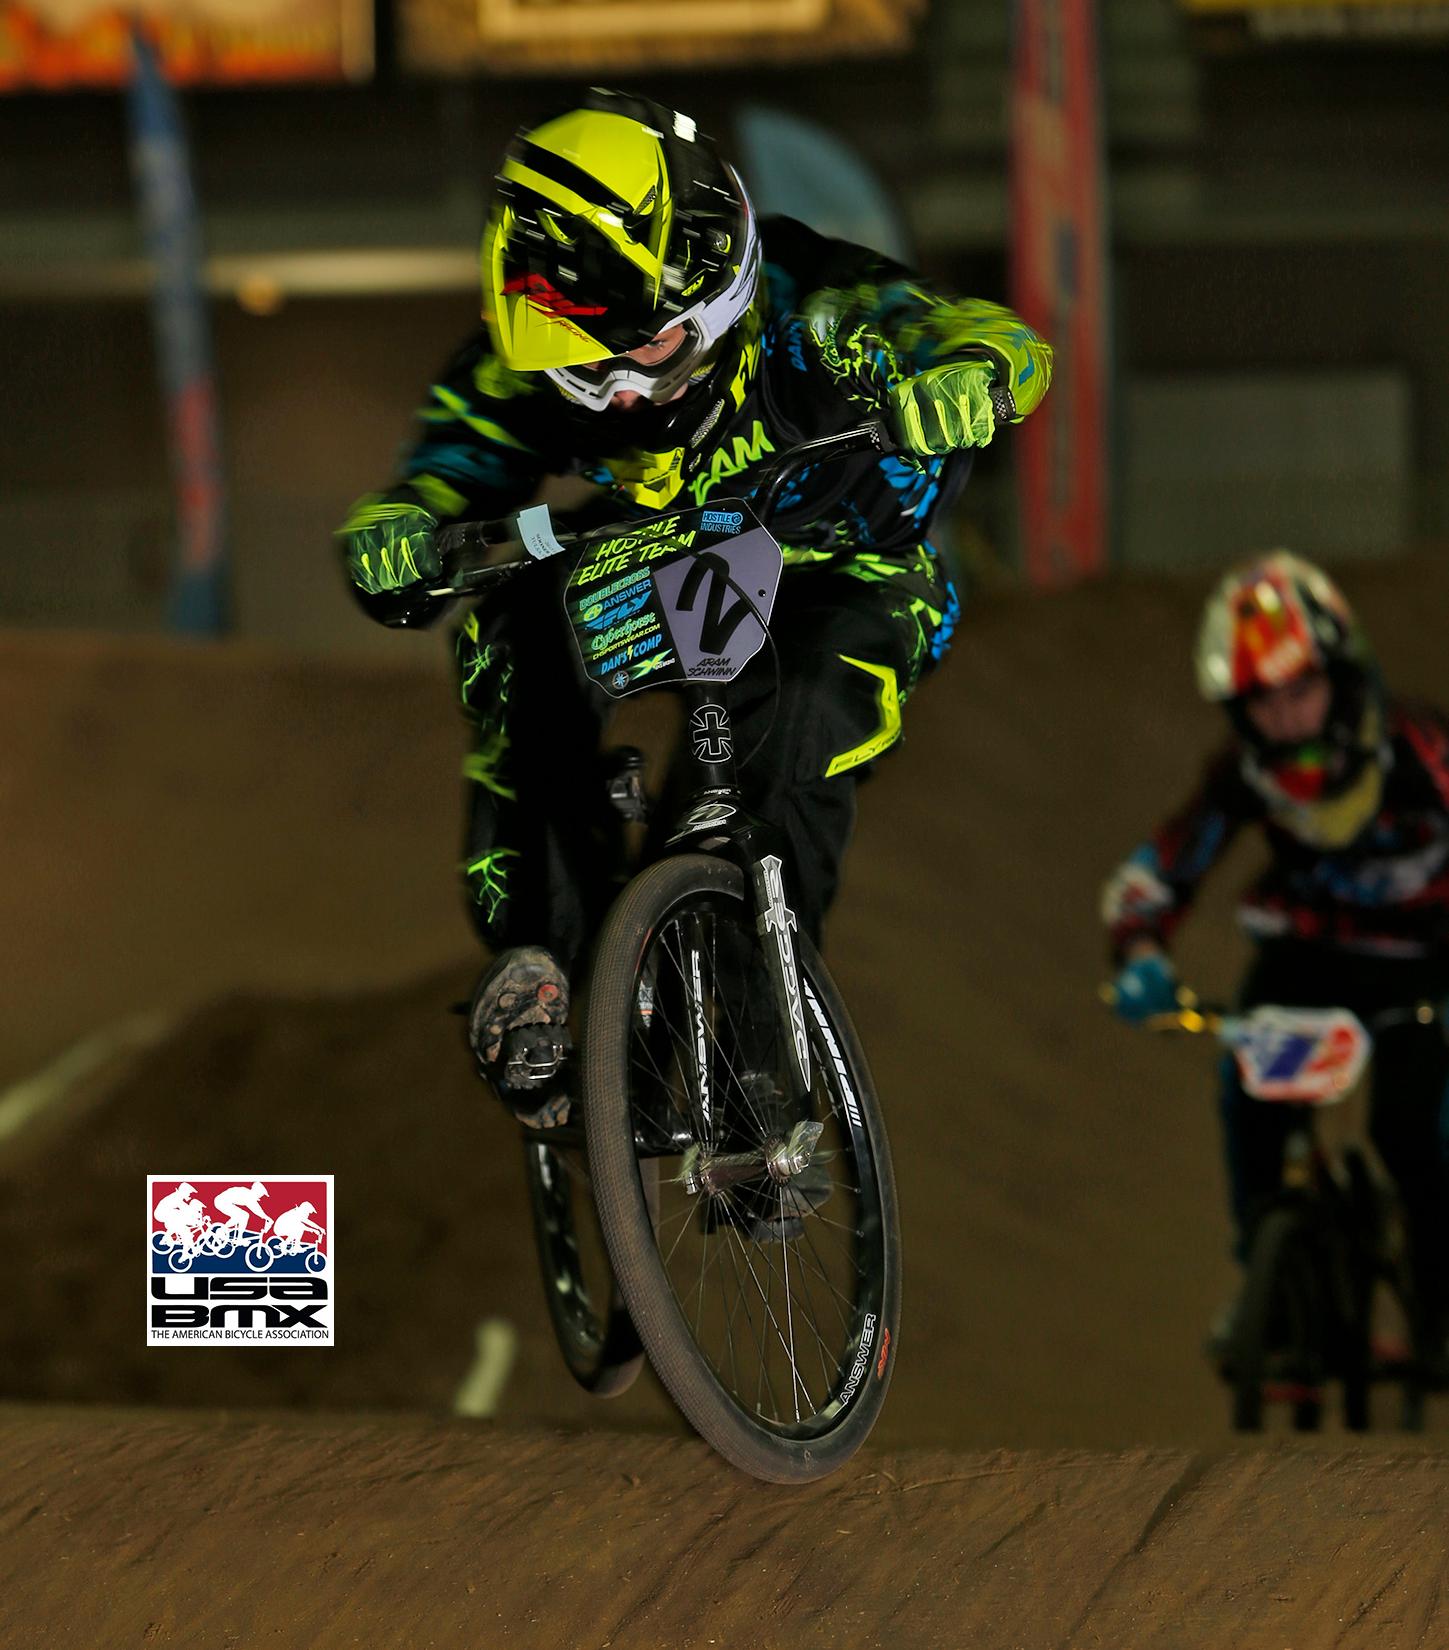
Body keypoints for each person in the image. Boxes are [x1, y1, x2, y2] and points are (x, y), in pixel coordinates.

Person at [337, 88, 1052, 1126]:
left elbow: (978, 334)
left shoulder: (817, 305)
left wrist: (969, 377)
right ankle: (547, 963)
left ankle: (763, 1049)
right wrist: (404, 524)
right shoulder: (534, 351)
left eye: (651, 350)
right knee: (517, 633)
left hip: (845, 571)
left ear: (718, 295)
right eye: (584, 368)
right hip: (669, 561)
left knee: (800, 728)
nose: (623, 392)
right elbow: (454, 459)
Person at [1103, 550, 1449, 1363]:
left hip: (1423, 962)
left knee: (1412, 1127)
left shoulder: (1423, 754)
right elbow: (1162, 868)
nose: (1286, 719)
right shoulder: (1245, 774)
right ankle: (1268, 1273)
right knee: (1253, 1095)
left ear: (1342, 673)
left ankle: (1437, 1298)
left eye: (1300, 690)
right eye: (1262, 702)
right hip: (1306, 958)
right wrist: (1139, 950)